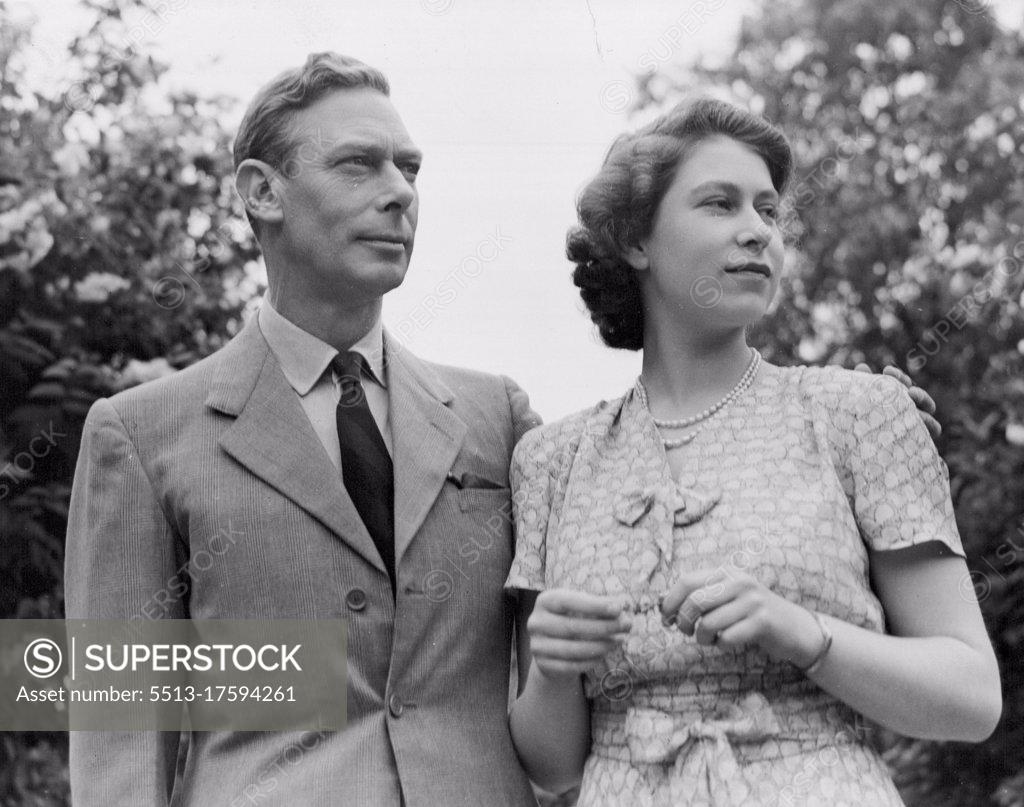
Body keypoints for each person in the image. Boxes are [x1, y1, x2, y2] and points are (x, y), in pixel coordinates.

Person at [63, 52, 540, 807]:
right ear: (262, 192)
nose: (399, 194)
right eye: (359, 165)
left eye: (409, 170)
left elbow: (559, 686)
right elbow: (117, 734)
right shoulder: (140, 434)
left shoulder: (498, 417)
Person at [504, 98, 1001, 806]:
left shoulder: (860, 413)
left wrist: (803, 632)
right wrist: (552, 670)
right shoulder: (549, 461)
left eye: (768, 212)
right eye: (720, 204)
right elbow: (550, 767)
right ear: (636, 242)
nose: (757, 233)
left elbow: (972, 698)